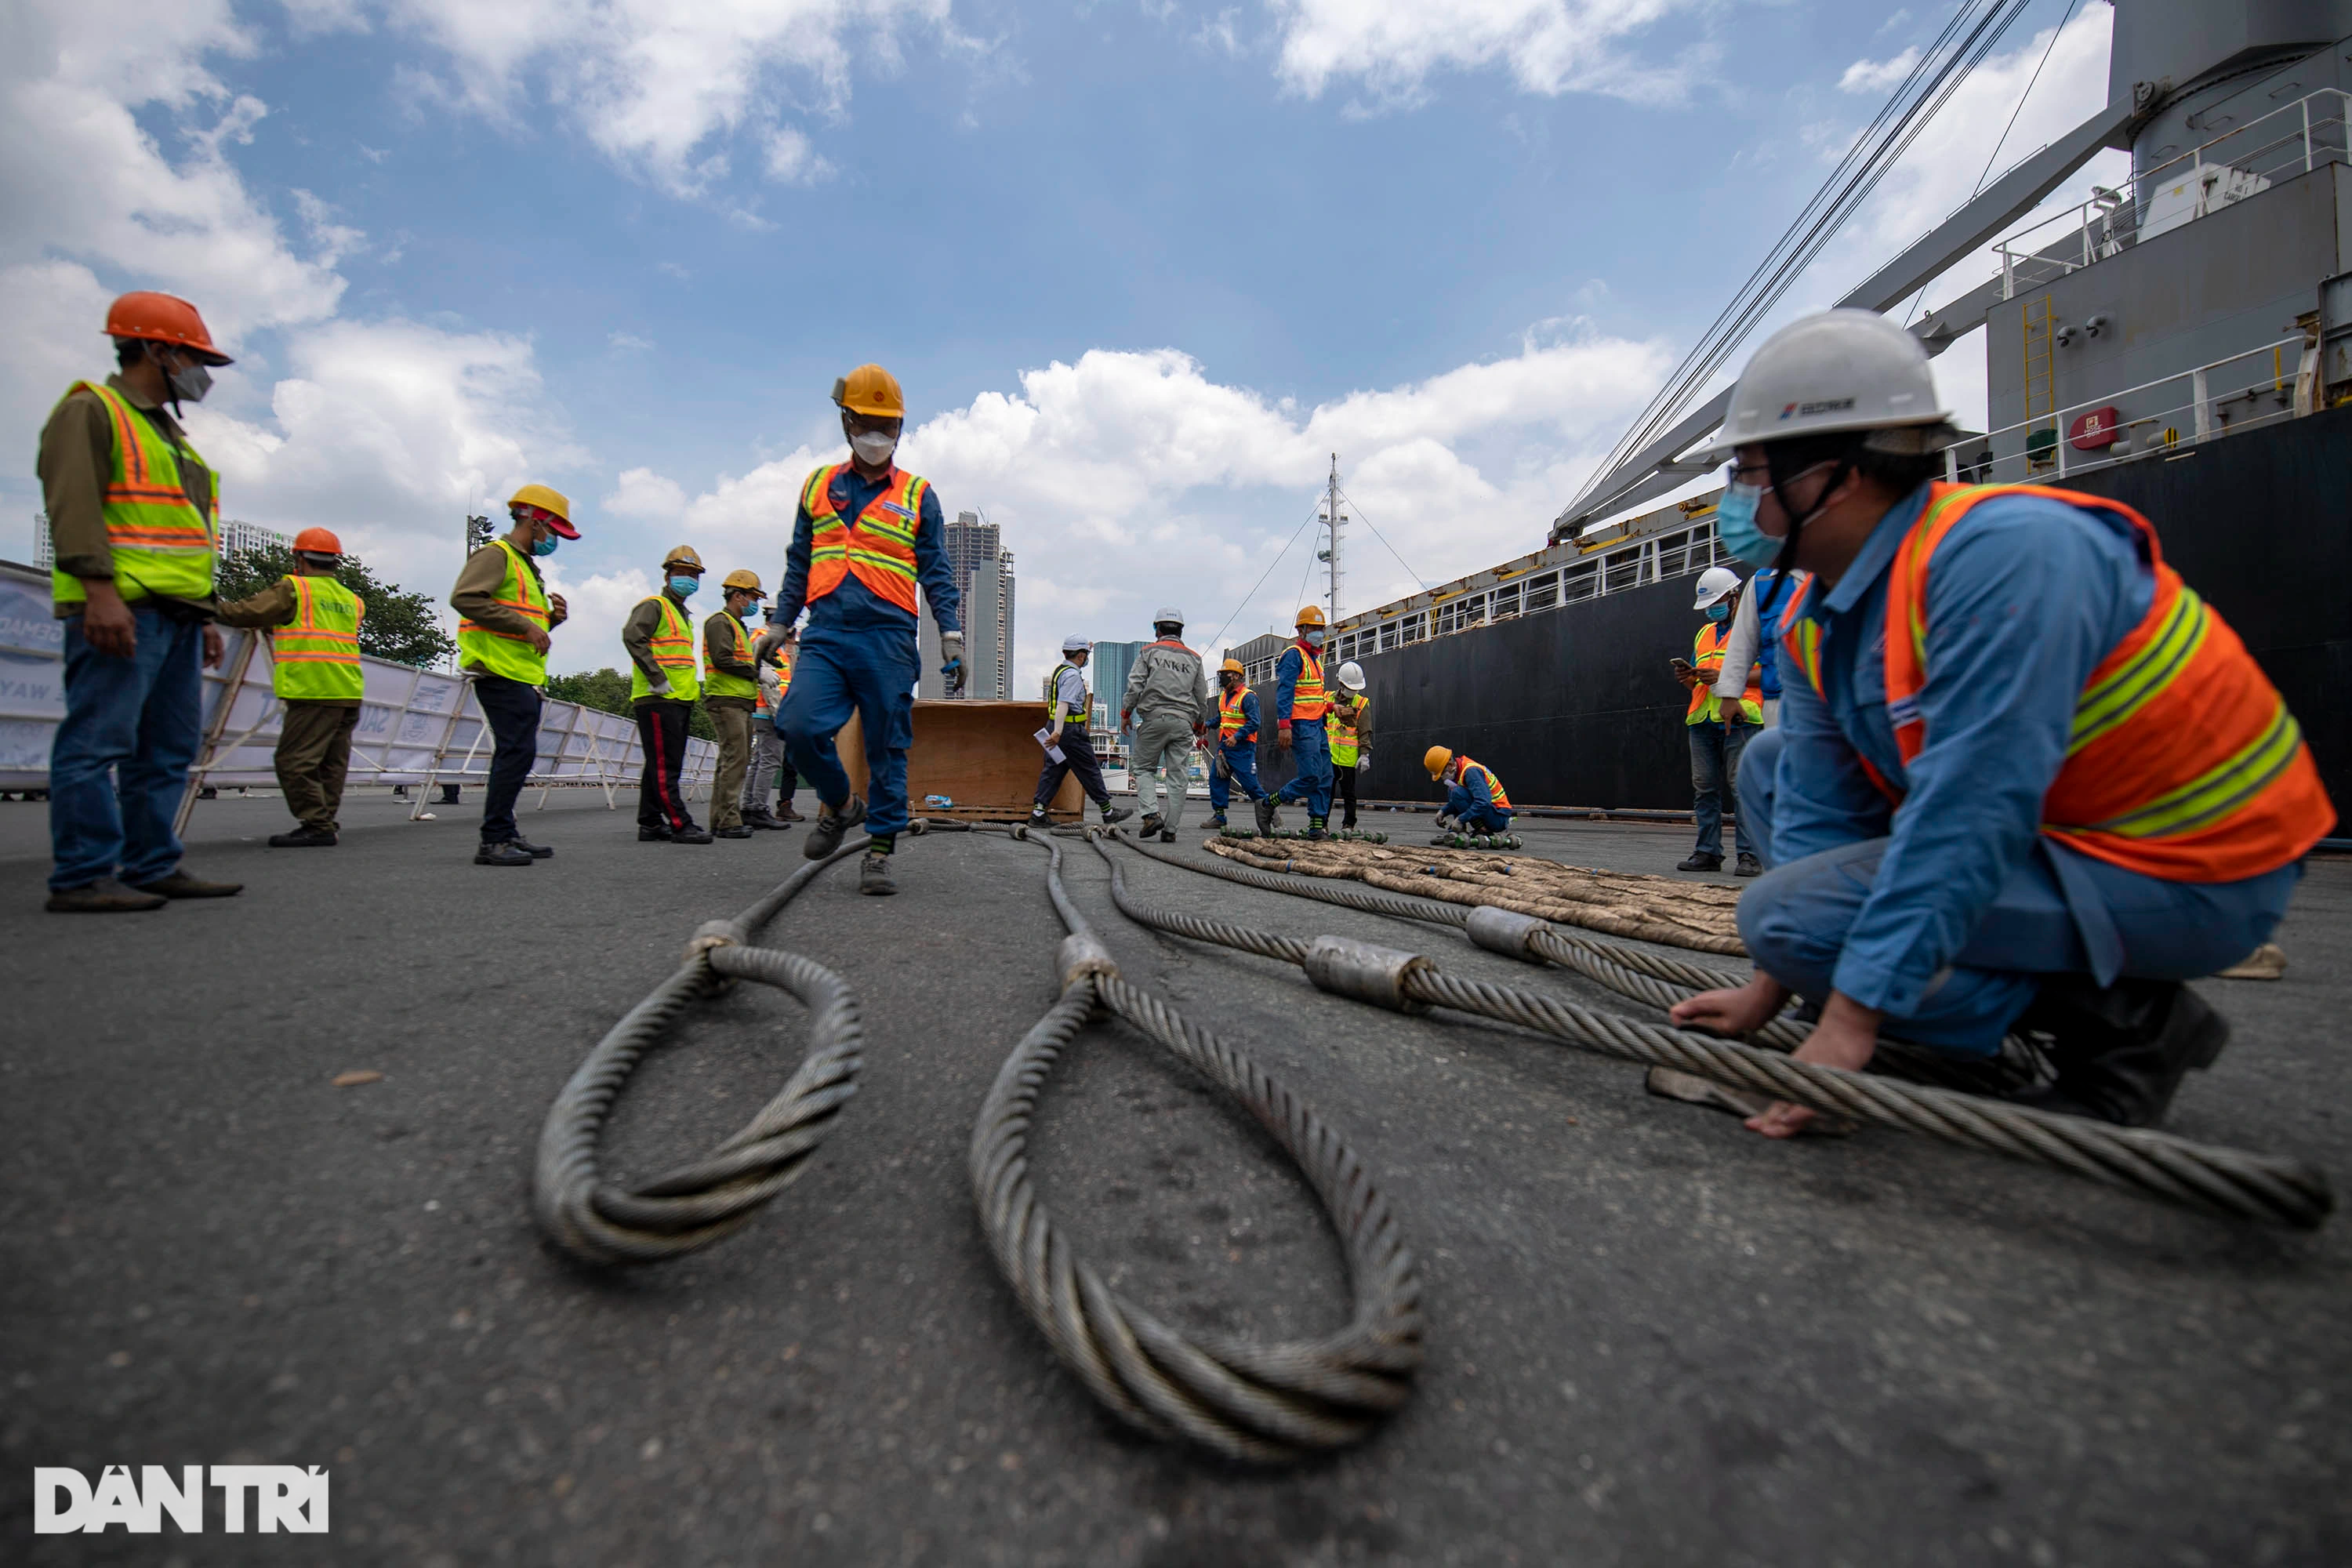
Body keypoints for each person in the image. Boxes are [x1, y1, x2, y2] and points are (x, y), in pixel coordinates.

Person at [1666, 309, 2333, 1135]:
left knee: (1789, 920)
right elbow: (1823, 809)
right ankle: (1898, 992)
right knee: (1771, 761)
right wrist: (1777, 988)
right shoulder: (1814, 609)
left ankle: (2130, 1022)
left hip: (2191, 860)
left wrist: (1850, 1022)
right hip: (2055, 839)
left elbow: (1973, 806)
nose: (1736, 496)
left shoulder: (2004, 554)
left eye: (1748, 470)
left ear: (1833, 475)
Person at [38, 290, 245, 912]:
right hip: (124, 610)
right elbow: (73, 507)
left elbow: (188, 537)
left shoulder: (174, 439)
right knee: (98, 742)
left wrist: (206, 613)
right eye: (191, 358)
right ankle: (81, 875)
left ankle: (153, 863)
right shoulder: (91, 410)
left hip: (178, 615)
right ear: (156, 349)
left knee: (167, 751)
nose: (200, 375)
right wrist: (99, 593)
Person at [773, 365, 966, 896]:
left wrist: (951, 634)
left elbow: (937, 571)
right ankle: (840, 804)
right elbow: (798, 562)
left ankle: (879, 853)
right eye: (869, 423)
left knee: (887, 749)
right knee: (798, 725)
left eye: (890, 426)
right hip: (827, 633)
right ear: (847, 422)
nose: (879, 436)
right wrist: (778, 622)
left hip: (888, 638)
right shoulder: (818, 486)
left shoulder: (917, 493)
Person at [215, 527, 365, 848]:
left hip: (313, 687)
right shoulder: (352, 600)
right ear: (335, 561)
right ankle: (325, 819)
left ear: (299, 557)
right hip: (348, 688)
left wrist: (208, 606)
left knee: (294, 760)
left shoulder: (293, 589)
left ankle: (317, 823)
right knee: (331, 762)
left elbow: (246, 613)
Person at [449, 484, 573, 866]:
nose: (554, 540)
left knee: (520, 753)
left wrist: (549, 621)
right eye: (553, 532)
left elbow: (525, 628)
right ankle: (494, 839)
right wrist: (525, 626)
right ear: (536, 521)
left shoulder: (526, 567)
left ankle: (506, 831)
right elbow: (466, 598)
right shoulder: (496, 555)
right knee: (514, 752)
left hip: (520, 672)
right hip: (498, 670)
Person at [1675, 565, 1763, 877]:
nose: (1713, 610)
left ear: (1734, 596)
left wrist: (1726, 678)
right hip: (1702, 720)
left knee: (1743, 788)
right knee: (1705, 789)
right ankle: (1708, 852)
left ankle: (1751, 855)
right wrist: (1688, 678)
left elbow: (1769, 673)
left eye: (1718, 601)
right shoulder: (1704, 633)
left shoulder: (1753, 629)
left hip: (1741, 719)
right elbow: (1702, 681)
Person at [623, 545, 711, 845]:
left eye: (693, 575)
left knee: (658, 763)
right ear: (668, 575)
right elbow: (633, 636)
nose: (688, 579)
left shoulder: (681, 614)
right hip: (658, 697)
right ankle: (679, 823)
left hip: (679, 698)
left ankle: (649, 823)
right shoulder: (655, 605)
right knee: (666, 766)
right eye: (682, 573)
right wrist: (656, 677)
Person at [1121, 607, 1211, 842]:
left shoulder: (1149, 652)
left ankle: (1151, 815)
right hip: (1183, 723)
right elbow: (1201, 695)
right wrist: (1200, 723)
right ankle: (1170, 830)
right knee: (1178, 777)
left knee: (1143, 769)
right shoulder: (1194, 658)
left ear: (1157, 629)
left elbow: (1135, 686)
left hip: (1155, 718)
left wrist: (1126, 713)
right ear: (1181, 630)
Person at [1029, 636, 1133, 827]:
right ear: (1081, 656)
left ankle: (1038, 813)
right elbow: (1063, 704)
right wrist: (1059, 732)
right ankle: (1108, 812)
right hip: (1070, 732)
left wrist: (1055, 730)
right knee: (1089, 769)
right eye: (1086, 655)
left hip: (1055, 727)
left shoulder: (1061, 671)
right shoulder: (1073, 677)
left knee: (1054, 769)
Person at [1260, 605, 1335, 839]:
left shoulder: (1315, 659)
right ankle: (1268, 804)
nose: (1318, 633)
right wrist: (1284, 726)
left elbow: (1311, 695)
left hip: (1317, 725)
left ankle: (1316, 825)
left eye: (1321, 629)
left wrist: (1334, 708)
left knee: (1326, 777)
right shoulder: (1294, 655)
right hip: (1301, 725)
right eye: (1313, 628)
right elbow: (1285, 692)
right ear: (1301, 630)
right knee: (1311, 776)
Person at [702, 568, 766, 840]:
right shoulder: (720, 622)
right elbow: (722, 659)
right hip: (726, 700)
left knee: (732, 760)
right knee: (735, 761)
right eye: (752, 597)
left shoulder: (736, 625)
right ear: (737, 596)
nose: (755, 603)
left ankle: (722, 818)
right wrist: (756, 671)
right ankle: (728, 820)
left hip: (739, 701)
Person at [1710, 563, 1793, 727]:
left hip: (1831, 694)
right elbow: (1742, 644)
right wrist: (1729, 695)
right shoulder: (1761, 582)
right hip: (1779, 700)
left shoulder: (1838, 570)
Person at [742, 615, 798, 830]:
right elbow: (770, 684)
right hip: (770, 710)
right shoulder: (767, 639)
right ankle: (757, 808)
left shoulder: (763, 638)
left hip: (762, 709)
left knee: (759, 760)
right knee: (770, 761)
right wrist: (779, 715)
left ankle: (749, 806)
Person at [1205, 658, 1265, 829]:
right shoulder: (1224, 696)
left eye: (1225, 674)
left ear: (1236, 676)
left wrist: (1237, 737)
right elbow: (1222, 718)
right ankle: (1219, 817)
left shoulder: (1248, 697)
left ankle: (1270, 814)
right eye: (1221, 674)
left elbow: (1255, 722)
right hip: (1225, 748)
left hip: (1242, 748)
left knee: (1251, 785)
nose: (1222, 678)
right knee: (1217, 779)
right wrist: (1208, 725)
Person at [1425, 747, 1512, 835]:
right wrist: (1443, 812)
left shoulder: (1471, 772)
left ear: (1450, 765)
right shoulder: (1460, 771)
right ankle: (1461, 830)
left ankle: (1483, 830)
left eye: (1442, 774)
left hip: (1498, 817)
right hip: (1491, 812)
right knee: (1452, 790)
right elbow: (1460, 800)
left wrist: (1460, 820)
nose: (1442, 778)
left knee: (1456, 792)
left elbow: (1483, 802)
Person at [1328, 660, 1371, 829]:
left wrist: (1365, 754)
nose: (1354, 692)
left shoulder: (1361, 703)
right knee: (1327, 793)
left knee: (1349, 794)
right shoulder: (1328, 699)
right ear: (1340, 684)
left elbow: (1365, 730)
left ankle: (1349, 824)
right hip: (1328, 757)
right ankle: (1322, 823)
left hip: (1348, 759)